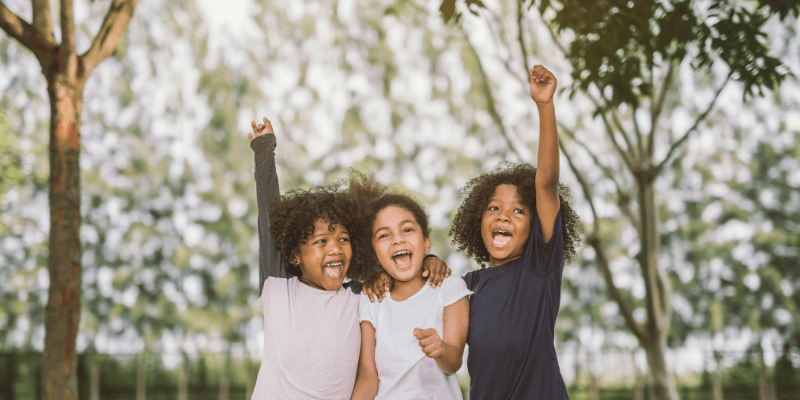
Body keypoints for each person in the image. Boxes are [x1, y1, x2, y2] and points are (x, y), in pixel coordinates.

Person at [247, 119, 451, 399]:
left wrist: (430, 260)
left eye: (343, 239)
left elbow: (400, 266)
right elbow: (268, 212)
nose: (336, 249)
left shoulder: (360, 298)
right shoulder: (279, 287)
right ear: (295, 254)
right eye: (321, 241)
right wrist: (264, 149)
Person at [448, 65, 582, 399]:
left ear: (535, 226)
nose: (504, 216)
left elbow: (546, 184)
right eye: (494, 208)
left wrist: (545, 106)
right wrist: (433, 260)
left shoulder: (539, 268)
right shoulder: (467, 287)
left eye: (518, 210)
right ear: (477, 221)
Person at [350, 187, 471, 400]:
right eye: (384, 235)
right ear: (375, 254)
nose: (397, 240)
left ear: (426, 243)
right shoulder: (371, 300)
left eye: (407, 230)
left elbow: (453, 363)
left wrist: (440, 349)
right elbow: (368, 377)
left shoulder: (449, 287)